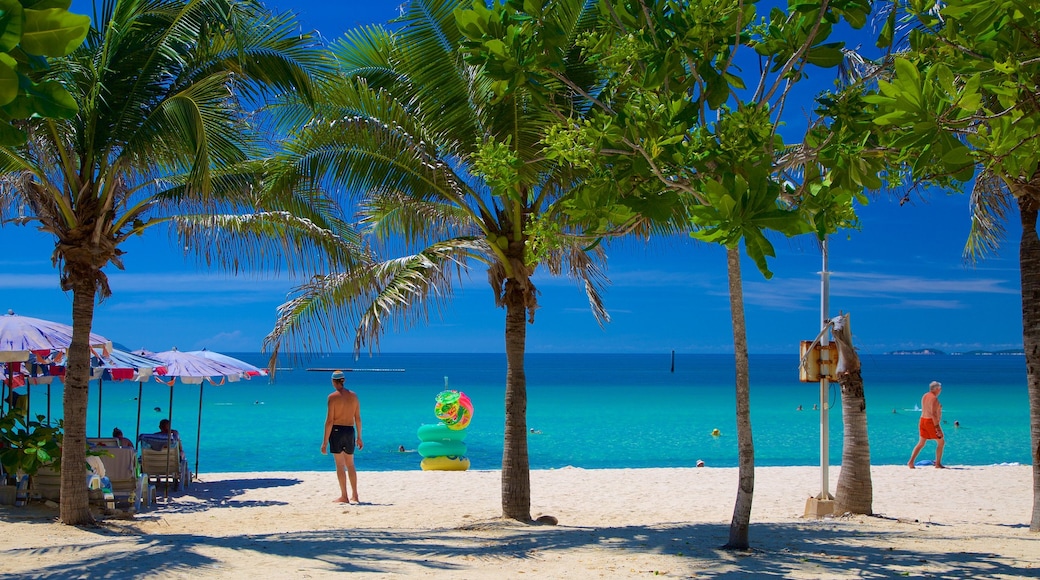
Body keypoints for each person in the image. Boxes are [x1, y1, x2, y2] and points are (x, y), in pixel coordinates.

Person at [321, 370, 363, 503]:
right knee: (350, 464)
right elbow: (358, 418)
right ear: (343, 381)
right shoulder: (354, 396)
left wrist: (325, 442)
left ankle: (344, 496)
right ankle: (355, 495)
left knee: (340, 465)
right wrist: (359, 437)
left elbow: (329, 421)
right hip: (350, 430)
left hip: (337, 431)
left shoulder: (332, 397)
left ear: (334, 381)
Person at [908, 381, 946, 469]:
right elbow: (933, 414)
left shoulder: (925, 395)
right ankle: (938, 463)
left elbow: (927, 409)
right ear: (937, 389)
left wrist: (938, 409)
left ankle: (911, 462)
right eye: (940, 389)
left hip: (922, 420)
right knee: (941, 442)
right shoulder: (934, 399)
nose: (941, 390)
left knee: (921, 443)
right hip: (930, 421)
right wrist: (937, 428)